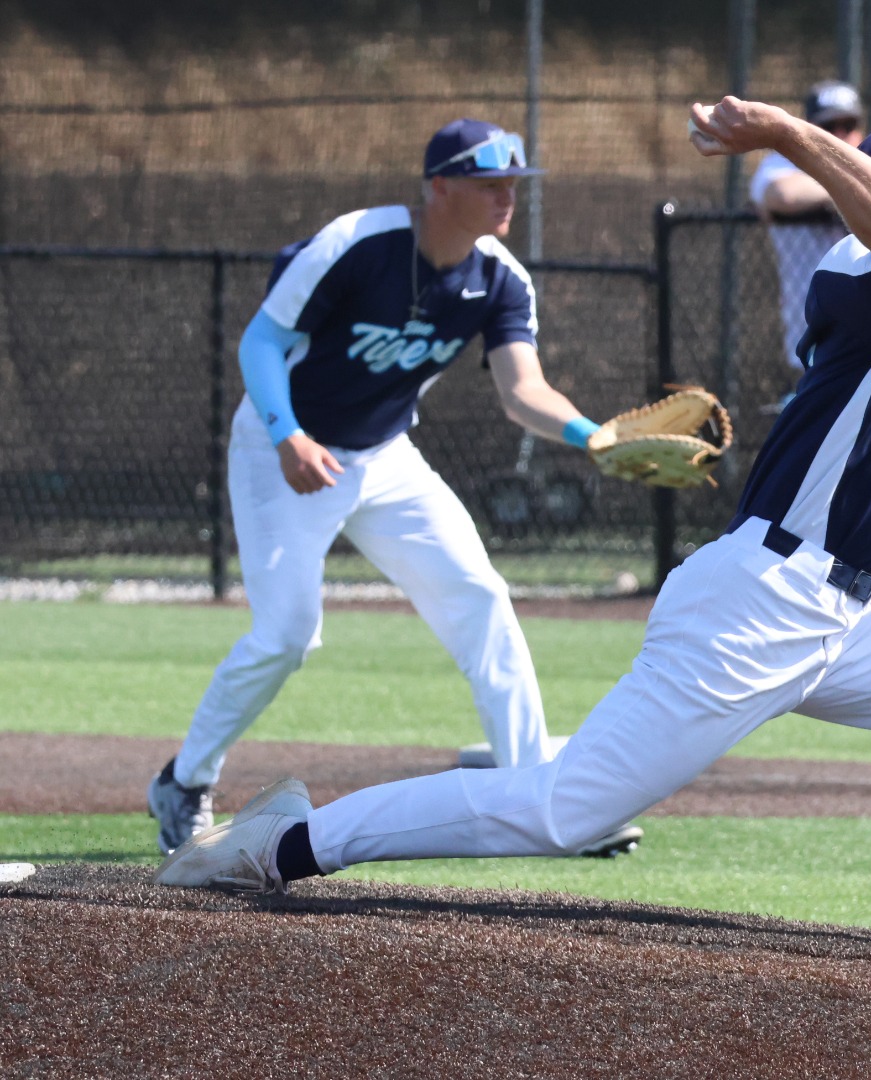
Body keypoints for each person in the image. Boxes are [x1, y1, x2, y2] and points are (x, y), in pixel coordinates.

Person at [154, 98, 871, 993]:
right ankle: (283, 843)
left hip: (832, 607)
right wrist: (780, 131)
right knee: (564, 811)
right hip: (758, 612)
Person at [144, 118, 644, 860]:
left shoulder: (500, 277)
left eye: (514, 183)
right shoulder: (358, 243)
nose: (507, 196)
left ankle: (538, 795)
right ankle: (185, 782)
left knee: (480, 596)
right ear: (439, 186)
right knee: (286, 635)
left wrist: (591, 435)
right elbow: (262, 341)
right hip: (283, 447)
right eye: (489, 183)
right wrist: (287, 435)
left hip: (382, 455)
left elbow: (521, 389)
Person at [750, 80, 866, 380]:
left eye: (849, 125)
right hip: (811, 336)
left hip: (870, 333)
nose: (841, 136)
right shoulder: (782, 165)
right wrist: (850, 185)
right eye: (829, 127)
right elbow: (783, 195)